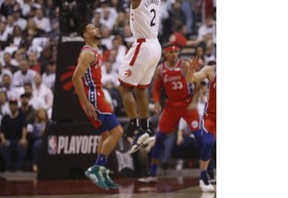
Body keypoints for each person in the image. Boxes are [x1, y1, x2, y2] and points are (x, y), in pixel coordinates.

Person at [116, 0, 162, 153]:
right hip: (156, 47)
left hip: (143, 45)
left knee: (124, 89)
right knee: (141, 89)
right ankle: (146, 129)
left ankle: (135, 128)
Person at [138, 44, 202, 183]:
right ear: (165, 54)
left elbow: (197, 84)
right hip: (171, 105)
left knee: (199, 136)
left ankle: (208, 172)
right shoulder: (161, 69)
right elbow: (156, 89)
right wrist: (156, 102)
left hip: (186, 104)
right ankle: (152, 173)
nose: (174, 54)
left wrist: (194, 101)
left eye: (175, 52)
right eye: (171, 52)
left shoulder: (184, 65)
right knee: (160, 137)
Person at [72, 22, 123, 190]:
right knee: (118, 132)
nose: (97, 29)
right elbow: (75, 78)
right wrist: (86, 103)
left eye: (96, 27)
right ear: (86, 35)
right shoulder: (87, 53)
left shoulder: (95, 51)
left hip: (97, 94)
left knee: (105, 134)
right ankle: (96, 168)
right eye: (92, 28)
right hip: (93, 97)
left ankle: (100, 171)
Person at [186, 55, 216, 192]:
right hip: (211, 117)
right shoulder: (211, 70)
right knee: (208, 142)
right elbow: (190, 79)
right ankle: (203, 177)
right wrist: (191, 70)